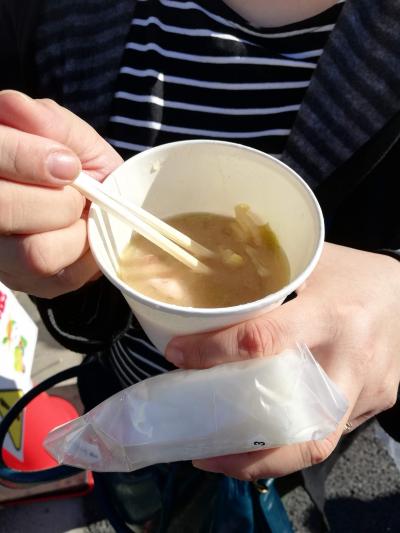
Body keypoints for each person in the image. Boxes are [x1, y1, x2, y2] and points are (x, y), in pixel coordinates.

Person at [1, 0, 400, 530]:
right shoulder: (42, 17)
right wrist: (54, 255)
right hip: (122, 389)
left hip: (289, 419)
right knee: (142, 499)